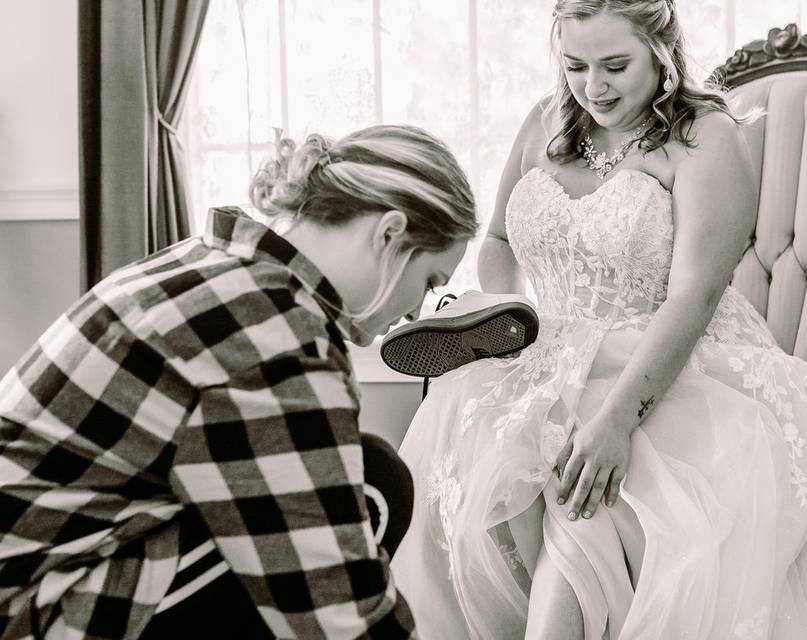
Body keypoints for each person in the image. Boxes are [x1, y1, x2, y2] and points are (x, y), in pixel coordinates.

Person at [391, 1, 807, 638]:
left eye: (615, 66)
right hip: (546, 345)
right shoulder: (544, 120)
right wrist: (510, 317)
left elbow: (693, 297)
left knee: (581, 485)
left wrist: (617, 423)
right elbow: (498, 244)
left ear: (662, 51)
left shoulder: (706, 138)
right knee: (485, 446)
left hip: (671, 358)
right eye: (575, 65)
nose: (593, 88)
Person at [0, 124, 477, 638]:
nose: (415, 313)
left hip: (36, 573)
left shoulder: (212, 261)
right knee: (374, 490)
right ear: (389, 235)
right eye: (430, 282)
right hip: (33, 609)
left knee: (366, 472)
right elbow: (336, 609)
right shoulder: (274, 331)